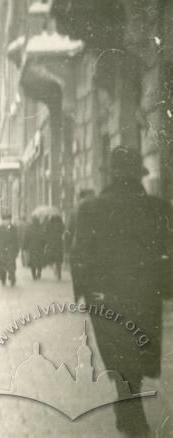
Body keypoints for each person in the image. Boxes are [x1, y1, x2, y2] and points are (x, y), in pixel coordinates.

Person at [71, 147, 171, 437]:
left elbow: (79, 255)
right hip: (144, 295)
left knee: (118, 354)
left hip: (105, 298)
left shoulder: (89, 209)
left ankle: (129, 410)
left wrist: (83, 293)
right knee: (138, 352)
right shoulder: (158, 207)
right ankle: (131, 411)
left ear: (111, 175)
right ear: (138, 174)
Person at [0, 213, 19, 286]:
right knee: (1, 266)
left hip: (11, 250)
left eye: (8, 220)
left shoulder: (13, 228)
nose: (7, 222)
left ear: (10, 220)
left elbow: (16, 240)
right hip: (1, 251)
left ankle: (12, 278)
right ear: (3, 221)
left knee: (12, 265)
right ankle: (2, 279)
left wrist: (17, 250)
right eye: (5, 220)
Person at [44, 215, 65, 280]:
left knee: (53, 258)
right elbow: (63, 231)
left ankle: (55, 269)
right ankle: (59, 273)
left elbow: (46, 233)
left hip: (51, 244)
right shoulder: (61, 225)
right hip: (59, 244)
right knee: (59, 260)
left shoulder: (49, 224)